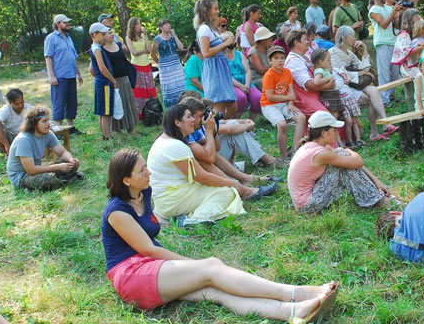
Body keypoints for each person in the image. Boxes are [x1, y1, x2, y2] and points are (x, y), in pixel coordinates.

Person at [102, 148, 338, 320]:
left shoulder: (144, 193)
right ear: (125, 180)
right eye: (142, 170)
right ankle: (297, 293)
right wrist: (196, 265)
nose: (149, 172)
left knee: (213, 291)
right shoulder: (117, 211)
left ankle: (292, 312)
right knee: (212, 267)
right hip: (132, 274)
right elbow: (149, 249)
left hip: (150, 268)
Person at [147, 104, 246, 224]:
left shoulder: (166, 140)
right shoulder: (175, 145)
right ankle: (196, 219)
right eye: (189, 117)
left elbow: (215, 151)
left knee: (221, 186)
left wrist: (211, 130)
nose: (194, 120)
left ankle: (187, 216)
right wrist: (233, 184)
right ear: (177, 122)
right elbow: (203, 176)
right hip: (171, 201)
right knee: (227, 192)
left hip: (168, 199)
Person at [287, 112, 391, 213]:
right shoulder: (320, 154)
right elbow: (358, 161)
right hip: (308, 206)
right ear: (323, 133)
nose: (337, 134)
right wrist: (348, 150)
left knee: (341, 155)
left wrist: (377, 181)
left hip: (305, 201)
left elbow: (352, 163)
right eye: (334, 130)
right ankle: (376, 199)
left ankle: (375, 196)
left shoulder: (314, 146)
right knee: (342, 154)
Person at [179, 96, 279, 196]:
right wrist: (209, 130)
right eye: (200, 116)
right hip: (184, 181)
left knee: (207, 153)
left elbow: (216, 148)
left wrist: (213, 130)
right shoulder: (185, 132)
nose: (203, 118)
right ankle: (241, 186)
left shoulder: (193, 129)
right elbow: (209, 157)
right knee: (203, 158)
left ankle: (245, 179)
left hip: (204, 167)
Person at [331, 26, 398, 141]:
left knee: (374, 91)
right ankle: (376, 132)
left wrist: (365, 48)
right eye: (352, 36)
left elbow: (366, 68)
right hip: (342, 89)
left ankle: (384, 124)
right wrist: (359, 73)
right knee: (372, 98)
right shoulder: (333, 53)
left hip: (353, 84)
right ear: (344, 38)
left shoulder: (350, 54)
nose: (355, 38)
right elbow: (340, 75)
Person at [6, 106, 82, 191]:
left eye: (48, 120)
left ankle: (64, 180)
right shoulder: (24, 140)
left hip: (38, 169)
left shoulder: (48, 134)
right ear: (34, 124)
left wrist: (71, 160)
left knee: (72, 165)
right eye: (44, 121)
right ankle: (66, 179)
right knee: (50, 179)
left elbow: (62, 153)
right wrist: (57, 167)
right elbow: (31, 170)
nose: (49, 124)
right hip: (22, 176)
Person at [193, 0, 238, 119]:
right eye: (215, 8)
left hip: (220, 68)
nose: (218, 11)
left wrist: (229, 44)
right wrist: (224, 43)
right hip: (214, 70)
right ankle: (213, 131)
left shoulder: (212, 28)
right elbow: (206, 53)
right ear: (206, 10)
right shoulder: (203, 29)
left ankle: (219, 128)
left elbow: (217, 48)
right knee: (219, 105)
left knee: (233, 105)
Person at [261, 46, 306, 160]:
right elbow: (270, 97)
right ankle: (284, 157)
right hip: (269, 105)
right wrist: (288, 97)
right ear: (270, 61)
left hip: (284, 103)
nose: (280, 60)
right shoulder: (269, 75)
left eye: (282, 57)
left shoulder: (287, 72)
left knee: (301, 118)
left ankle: (295, 151)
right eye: (276, 58)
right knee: (282, 125)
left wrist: (291, 103)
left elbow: (292, 92)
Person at [311, 48, 361, 148]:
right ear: (321, 62)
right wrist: (330, 77)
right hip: (330, 98)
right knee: (333, 123)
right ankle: (338, 145)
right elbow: (316, 82)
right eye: (328, 60)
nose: (330, 62)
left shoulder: (325, 70)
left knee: (335, 122)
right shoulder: (319, 70)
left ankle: (341, 144)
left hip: (335, 97)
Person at [43, 15, 83, 129]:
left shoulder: (69, 38)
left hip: (71, 75)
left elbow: (73, 57)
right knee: (59, 102)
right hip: (59, 76)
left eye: (68, 22)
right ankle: (59, 129)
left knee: (72, 102)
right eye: (65, 22)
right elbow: (48, 58)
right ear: (58, 24)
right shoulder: (51, 38)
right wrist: (52, 76)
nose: (68, 24)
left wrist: (78, 74)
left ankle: (70, 127)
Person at [284, 30, 334, 120]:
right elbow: (307, 84)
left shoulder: (304, 56)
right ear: (297, 43)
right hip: (303, 98)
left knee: (338, 110)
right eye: (305, 40)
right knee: (325, 117)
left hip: (315, 94)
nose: (308, 42)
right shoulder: (293, 61)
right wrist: (327, 86)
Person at [368, 0, 401, 105]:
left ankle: (391, 96)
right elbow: (383, 24)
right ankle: (384, 100)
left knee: (394, 73)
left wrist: (398, 15)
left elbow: (395, 25)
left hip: (393, 41)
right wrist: (394, 12)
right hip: (382, 43)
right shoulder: (374, 10)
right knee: (384, 73)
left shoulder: (388, 8)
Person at [102, 30, 138, 134]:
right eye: (109, 33)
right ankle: (117, 129)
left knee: (128, 102)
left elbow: (125, 51)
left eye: (112, 32)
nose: (112, 34)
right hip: (113, 81)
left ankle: (130, 128)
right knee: (117, 104)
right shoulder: (101, 49)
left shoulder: (118, 45)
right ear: (103, 36)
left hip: (125, 79)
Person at [391, 9, 424, 110]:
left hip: (415, 64)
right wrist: (421, 48)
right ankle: (414, 110)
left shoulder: (413, 33)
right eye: (416, 16)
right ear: (410, 18)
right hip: (408, 66)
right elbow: (405, 52)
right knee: (416, 80)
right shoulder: (404, 34)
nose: (419, 18)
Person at [221, 31, 261, 120]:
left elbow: (247, 71)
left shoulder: (239, 54)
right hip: (231, 84)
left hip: (245, 82)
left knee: (257, 98)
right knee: (241, 98)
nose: (234, 42)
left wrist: (247, 84)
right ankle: (237, 120)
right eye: (231, 40)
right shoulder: (220, 57)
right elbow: (225, 76)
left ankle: (250, 125)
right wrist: (240, 86)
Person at [89, 23, 119, 140]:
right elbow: (102, 68)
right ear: (94, 34)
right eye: (101, 34)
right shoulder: (97, 49)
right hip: (105, 83)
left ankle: (105, 135)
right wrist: (113, 80)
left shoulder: (97, 47)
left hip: (101, 83)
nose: (103, 36)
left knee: (103, 111)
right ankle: (107, 137)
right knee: (106, 111)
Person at [125, 17, 157, 118]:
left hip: (146, 64)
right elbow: (134, 53)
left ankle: (152, 109)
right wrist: (144, 51)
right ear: (132, 26)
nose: (140, 26)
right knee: (139, 89)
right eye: (137, 24)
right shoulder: (128, 38)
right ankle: (139, 112)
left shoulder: (143, 36)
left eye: (140, 24)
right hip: (136, 65)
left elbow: (149, 49)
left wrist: (146, 35)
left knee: (148, 87)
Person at [151, 19, 185, 109]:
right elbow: (152, 53)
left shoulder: (172, 36)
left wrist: (175, 36)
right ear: (161, 27)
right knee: (169, 88)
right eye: (165, 24)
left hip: (176, 64)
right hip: (165, 67)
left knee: (180, 85)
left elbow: (181, 48)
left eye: (168, 23)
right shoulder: (157, 39)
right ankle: (171, 108)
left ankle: (182, 104)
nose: (168, 25)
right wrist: (159, 62)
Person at [0, 89, 32, 156]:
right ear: (10, 103)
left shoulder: (29, 108)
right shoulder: (5, 110)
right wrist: (7, 145)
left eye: (22, 102)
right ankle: (7, 154)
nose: (20, 106)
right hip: (9, 138)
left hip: (24, 136)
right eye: (17, 104)